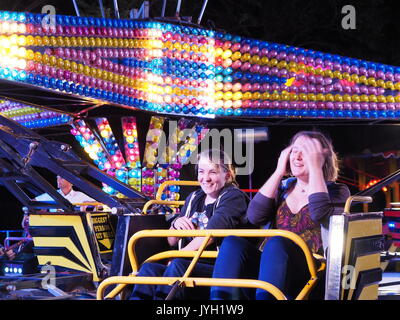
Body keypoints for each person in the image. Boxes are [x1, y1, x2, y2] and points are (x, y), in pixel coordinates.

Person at [210, 130, 350, 300]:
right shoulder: (283, 187)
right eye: (294, 150)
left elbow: (320, 213)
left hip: (310, 270)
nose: (297, 156)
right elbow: (254, 216)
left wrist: (315, 168)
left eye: (305, 152)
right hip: (271, 268)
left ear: (321, 157)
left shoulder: (336, 191)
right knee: (232, 242)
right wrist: (278, 172)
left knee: (278, 242)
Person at [129, 149, 251, 300]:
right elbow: (171, 241)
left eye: (212, 172)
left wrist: (177, 256)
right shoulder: (194, 197)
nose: (205, 178)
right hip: (186, 263)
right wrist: (175, 226)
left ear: (227, 175)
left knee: (177, 266)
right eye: (201, 171)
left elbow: (210, 235)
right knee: (149, 269)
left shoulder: (233, 197)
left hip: (219, 268)